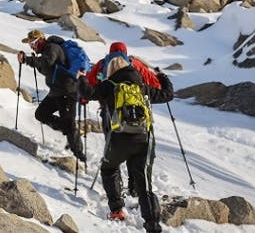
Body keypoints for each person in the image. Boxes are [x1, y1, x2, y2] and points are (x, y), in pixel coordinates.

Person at [78, 46, 174, 231]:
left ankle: (117, 210)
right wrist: (162, 76)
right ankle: (153, 225)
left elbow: (86, 93)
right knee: (143, 183)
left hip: (119, 139)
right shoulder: (142, 87)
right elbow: (168, 94)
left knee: (109, 169)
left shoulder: (109, 85)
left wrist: (82, 77)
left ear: (110, 69)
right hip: (143, 139)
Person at [17, 29, 86, 161]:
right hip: (56, 92)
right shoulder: (47, 51)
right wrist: (31, 60)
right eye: (30, 45)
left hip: (68, 92)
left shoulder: (52, 48)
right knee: (41, 114)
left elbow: (46, 62)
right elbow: (47, 66)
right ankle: (70, 132)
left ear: (41, 40)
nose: (32, 47)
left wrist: (28, 59)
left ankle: (80, 156)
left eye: (33, 43)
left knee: (69, 124)